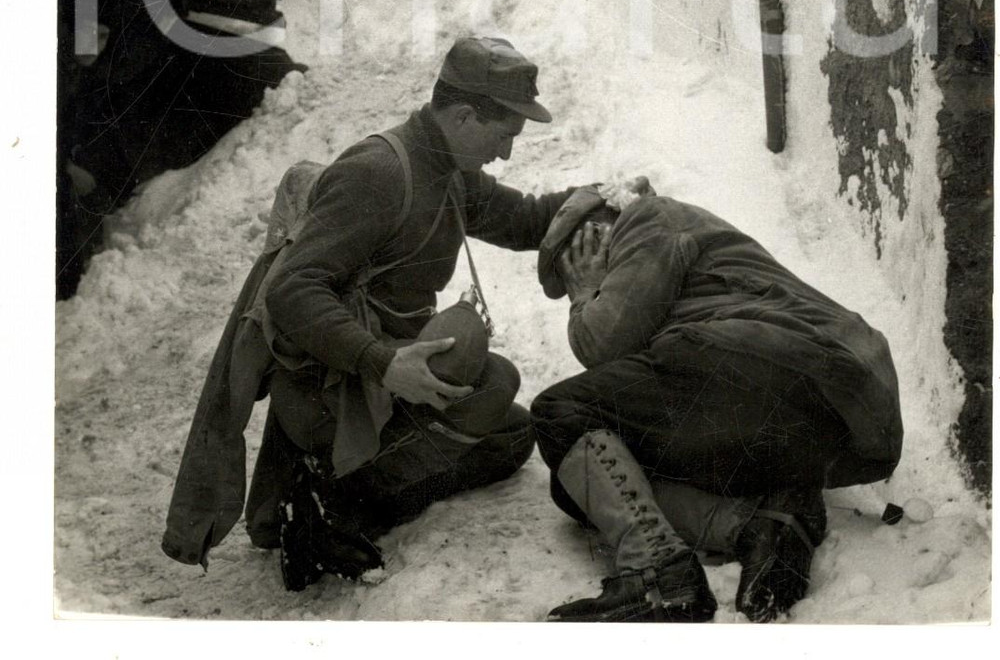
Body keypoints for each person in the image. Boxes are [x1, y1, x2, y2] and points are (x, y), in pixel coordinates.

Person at [162, 36, 597, 591]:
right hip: (328, 390)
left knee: (511, 436)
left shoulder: (448, 170)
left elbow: (525, 220)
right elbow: (292, 291)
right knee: (499, 384)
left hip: (371, 384)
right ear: (464, 116)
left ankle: (340, 507)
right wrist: (385, 363)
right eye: (504, 136)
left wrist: (605, 200)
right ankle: (329, 497)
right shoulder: (381, 173)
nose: (506, 153)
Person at [530, 187, 904, 624]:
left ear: (595, 232)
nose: (590, 280)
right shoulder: (678, 249)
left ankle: (659, 576)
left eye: (579, 262)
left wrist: (585, 295)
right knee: (580, 486)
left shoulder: (646, 216)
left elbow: (603, 342)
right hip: (835, 418)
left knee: (560, 412)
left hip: (774, 363)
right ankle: (763, 525)